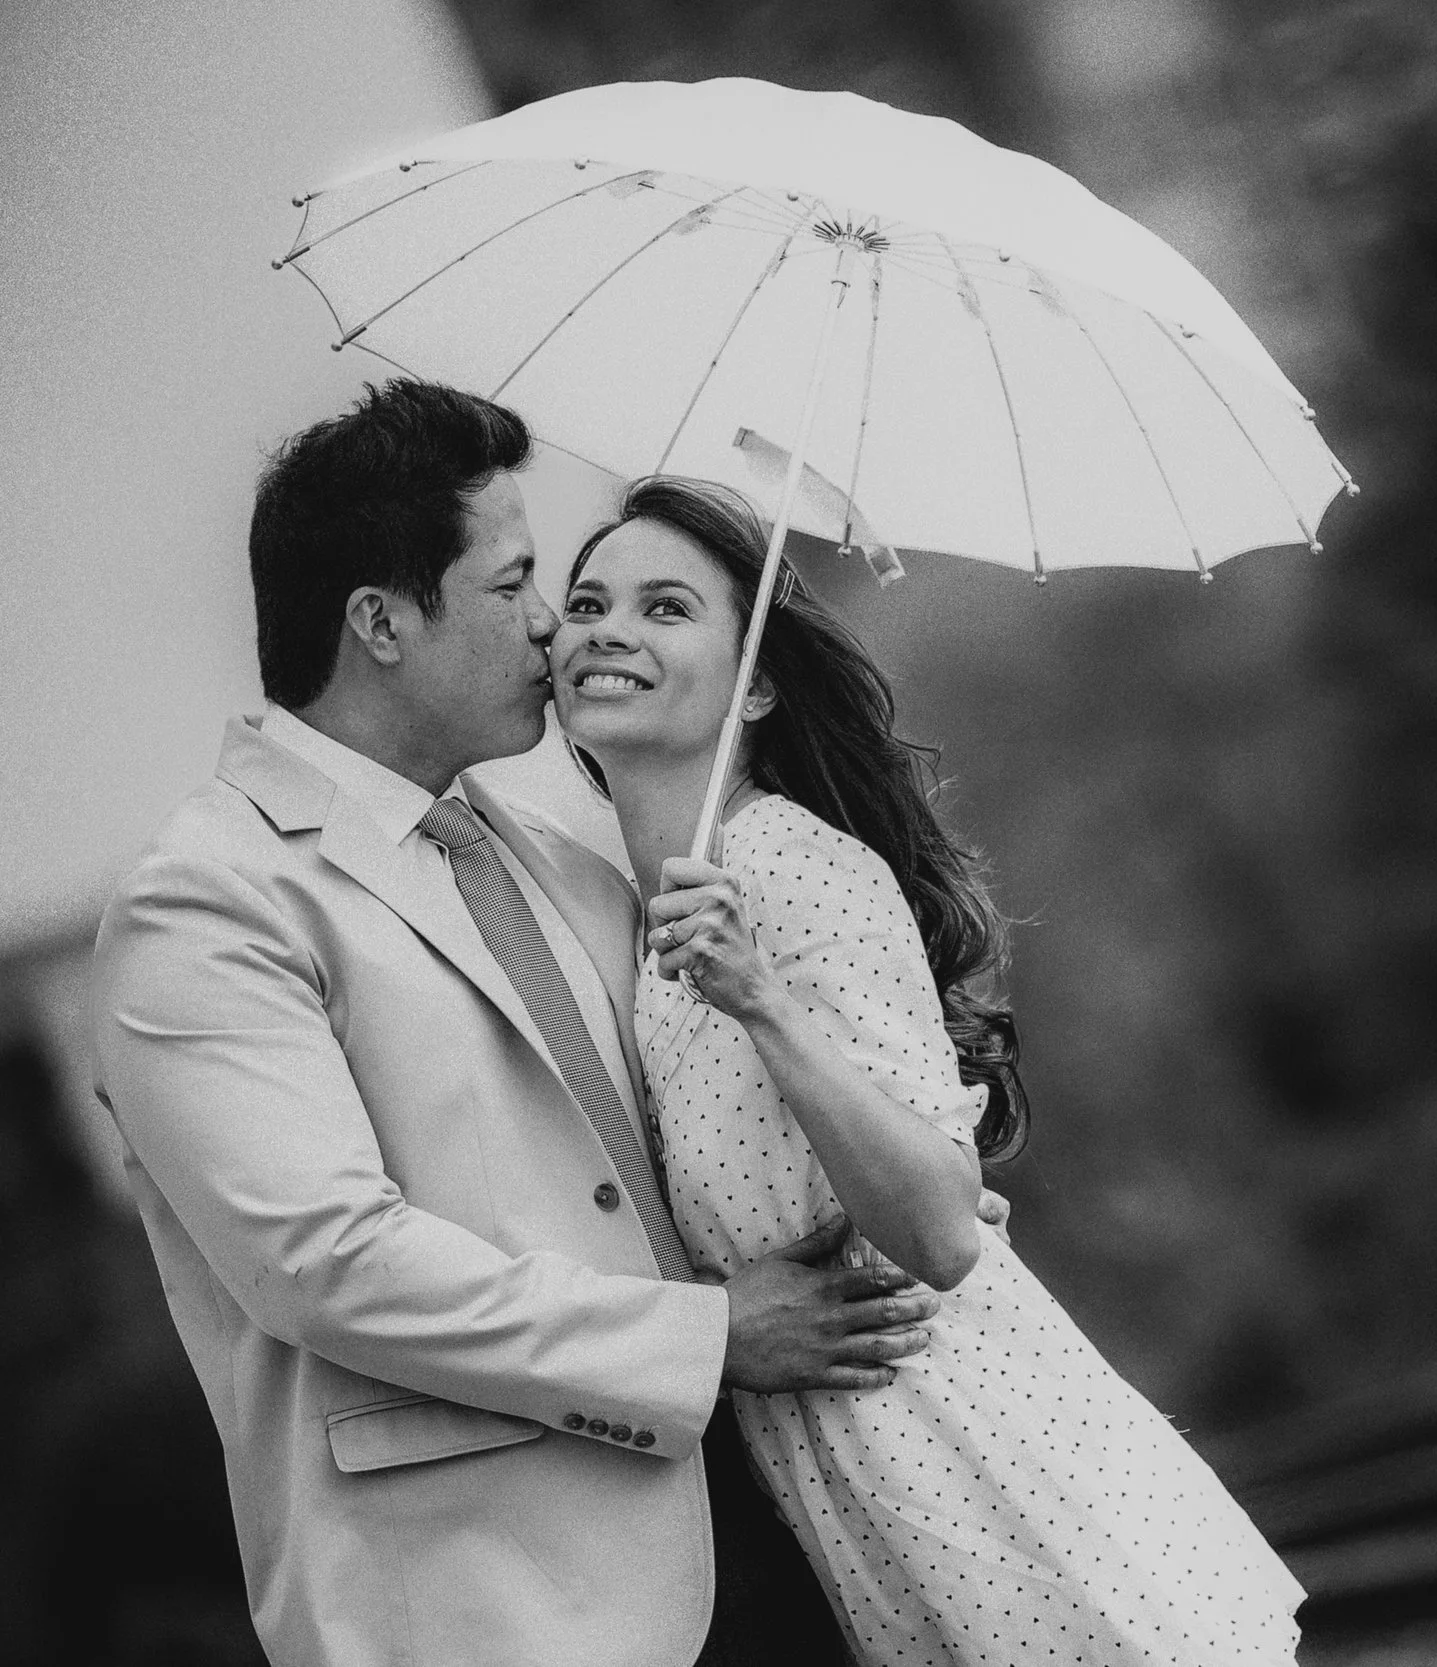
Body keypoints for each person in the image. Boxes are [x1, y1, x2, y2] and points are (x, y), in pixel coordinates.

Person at [88, 380, 991, 1667]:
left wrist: (892, 1177)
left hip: (764, 1528)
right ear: (381, 622)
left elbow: (698, 1133)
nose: (552, 622)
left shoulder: (556, 851)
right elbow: (327, 1262)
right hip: (490, 1598)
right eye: (512, 583)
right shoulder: (203, 902)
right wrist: (709, 1336)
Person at [550, 476, 1306, 1666]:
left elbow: (943, 1223)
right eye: (586, 601)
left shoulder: (796, 872)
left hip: (958, 1449)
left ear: (754, 681)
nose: (607, 628)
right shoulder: (639, 910)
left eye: (665, 607)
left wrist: (758, 997)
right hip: (845, 1465)